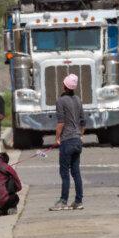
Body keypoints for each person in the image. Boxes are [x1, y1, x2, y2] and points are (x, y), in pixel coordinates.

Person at [51, 73, 85, 211]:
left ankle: (63, 201)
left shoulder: (60, 101)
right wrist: (80, 135)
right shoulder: (78, 100)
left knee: (64, 173)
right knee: (76, 172)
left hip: (67, 140)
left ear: (64, 85)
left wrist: (57, 138)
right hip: (77, 140)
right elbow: (83, 122)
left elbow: (61, 122)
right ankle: (78, 201)